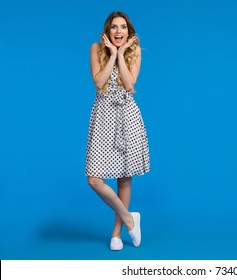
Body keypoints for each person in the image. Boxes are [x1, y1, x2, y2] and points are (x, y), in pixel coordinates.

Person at [85, 11, 150, 251]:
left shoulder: (135, 52)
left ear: (128, 31)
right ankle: (130, 217)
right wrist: (111, 54)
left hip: (127, 118)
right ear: (107, 31)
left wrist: (122, 54)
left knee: (124, 177)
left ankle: (116, 233)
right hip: (103, 117)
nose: (119, 31)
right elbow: (99, 82)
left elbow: (129, 84)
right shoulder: (96, 48)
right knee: (95, 179)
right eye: (114, 27)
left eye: (123, 27)